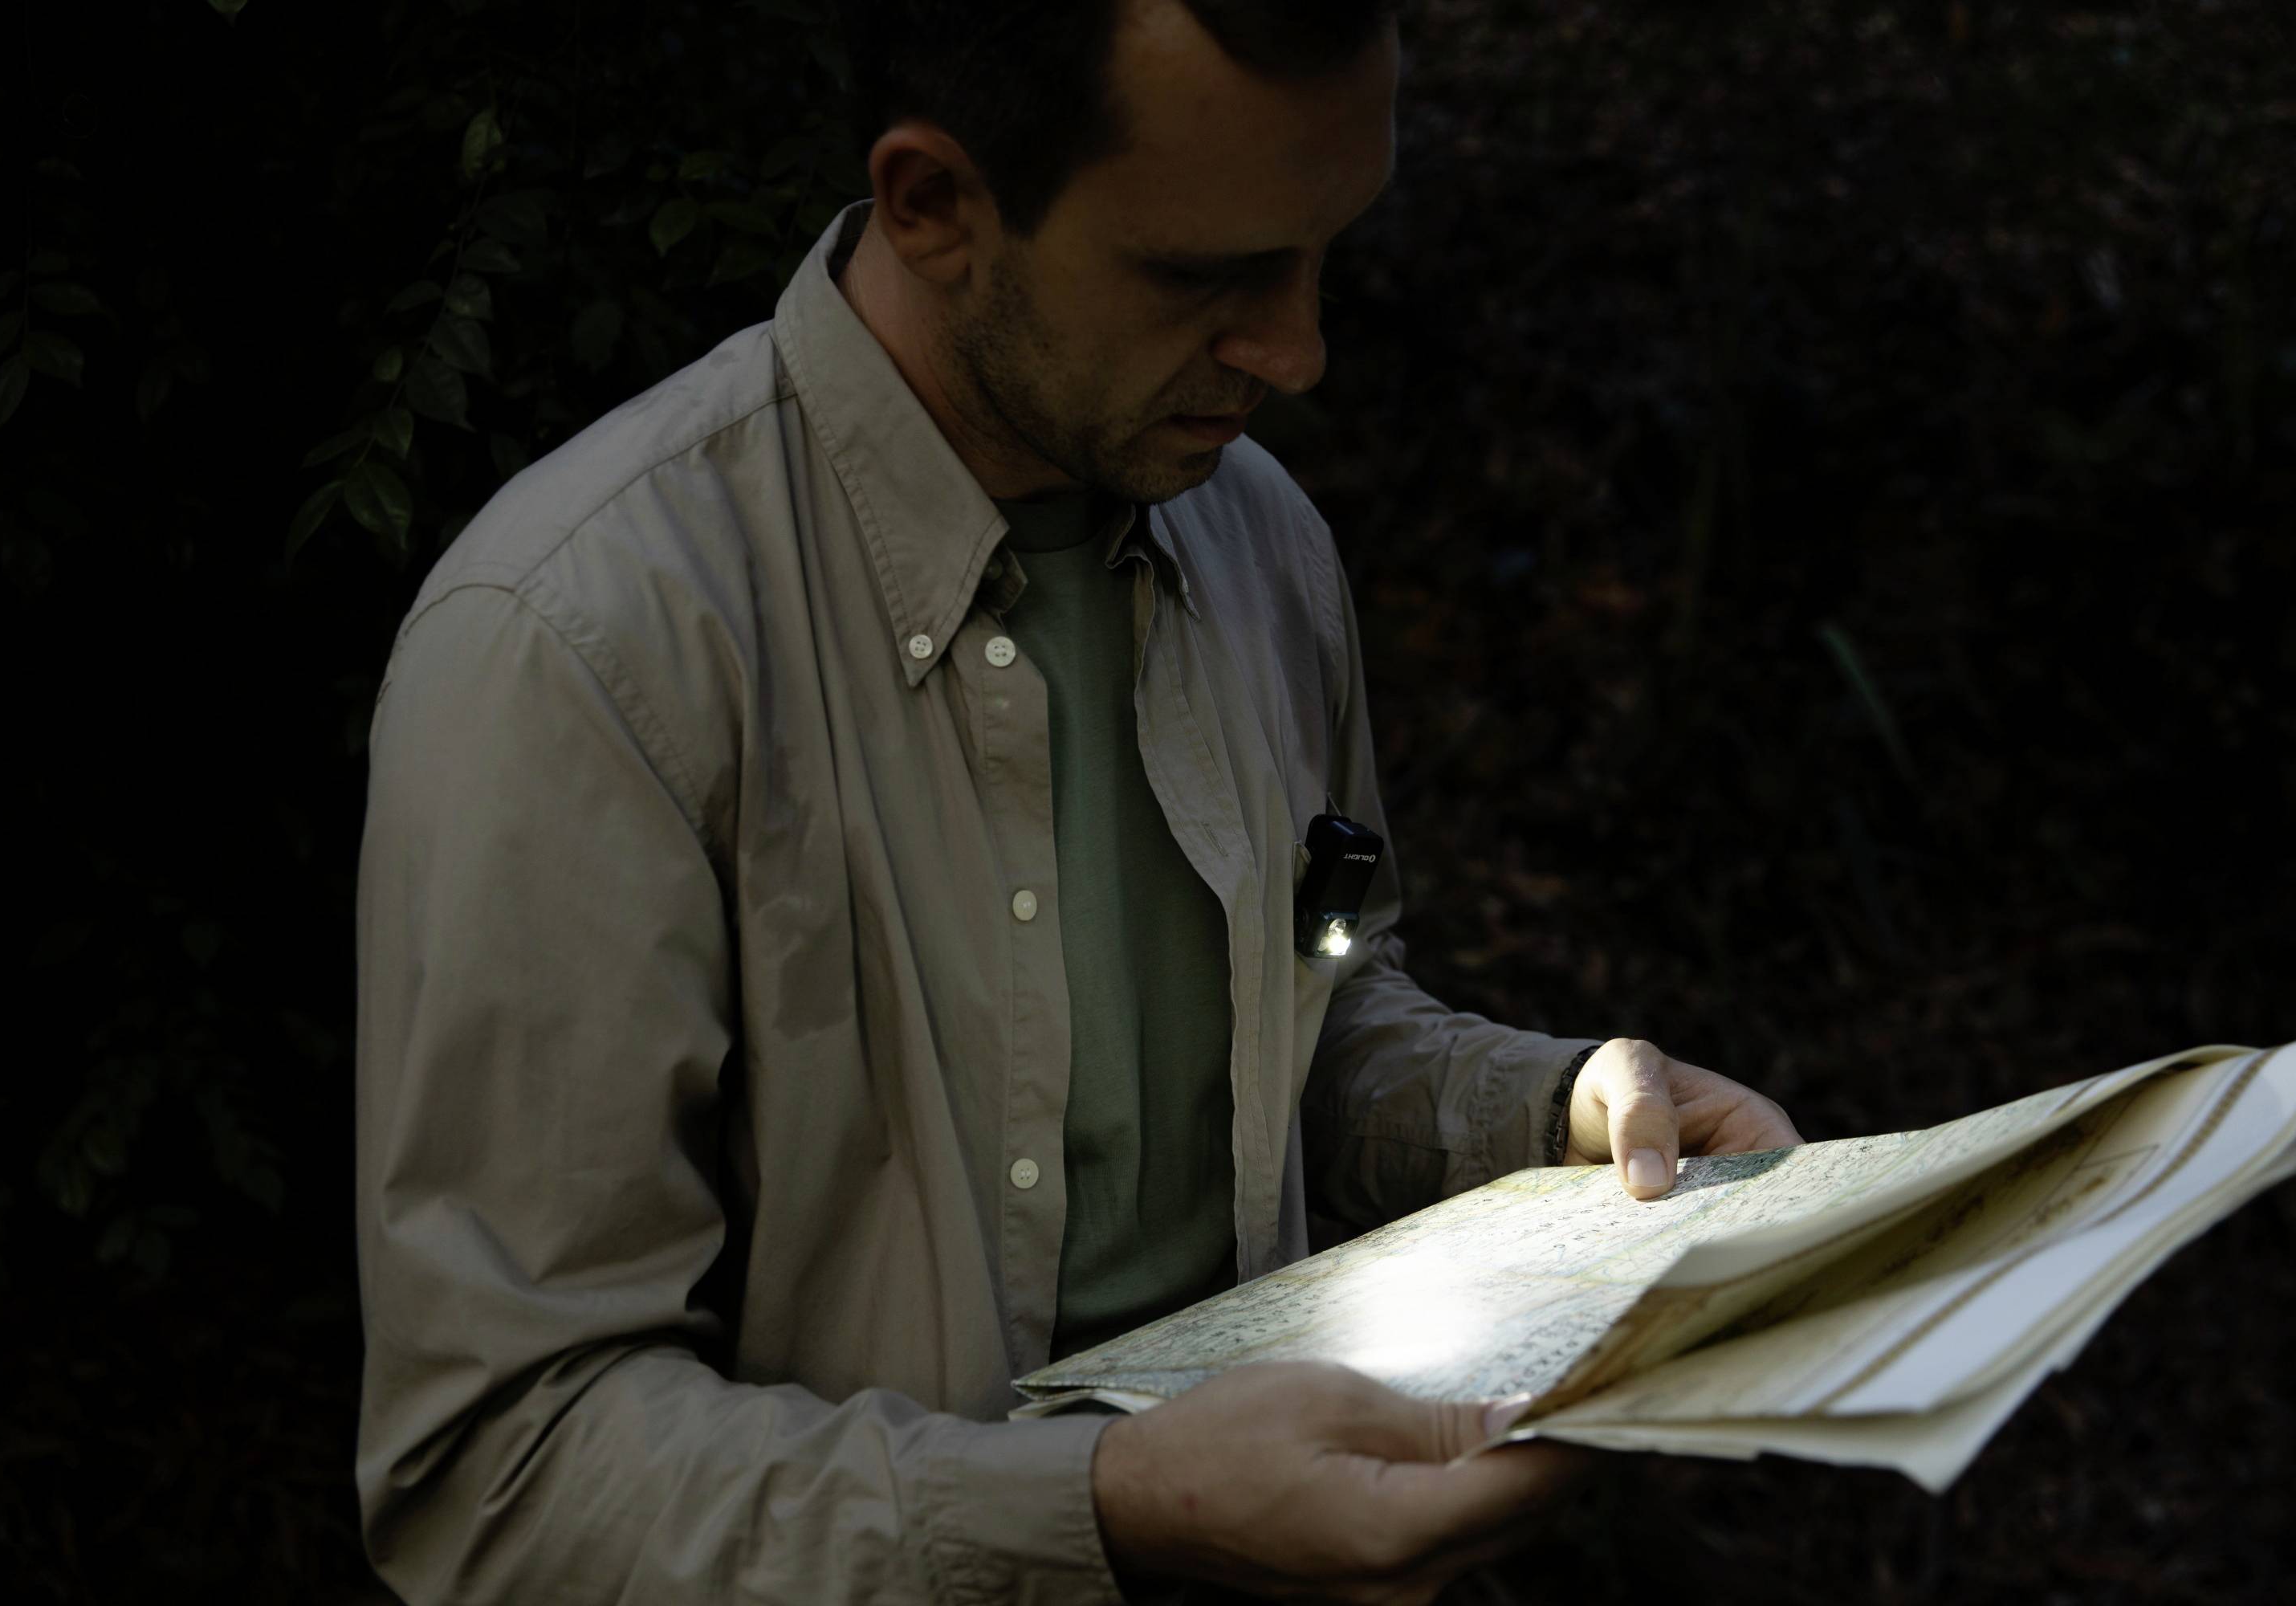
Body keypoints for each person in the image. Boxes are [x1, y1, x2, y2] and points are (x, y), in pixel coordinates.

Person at [352, 2, 1804, 1601]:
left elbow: (1309, 1016)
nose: (1300, 352)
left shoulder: (1266, 548)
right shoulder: (583, 648)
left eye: (1329, 251)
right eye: (1205, 273)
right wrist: (1099, 1507)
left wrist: (1548, 1111)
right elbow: (505, 1476)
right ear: (932, 205)